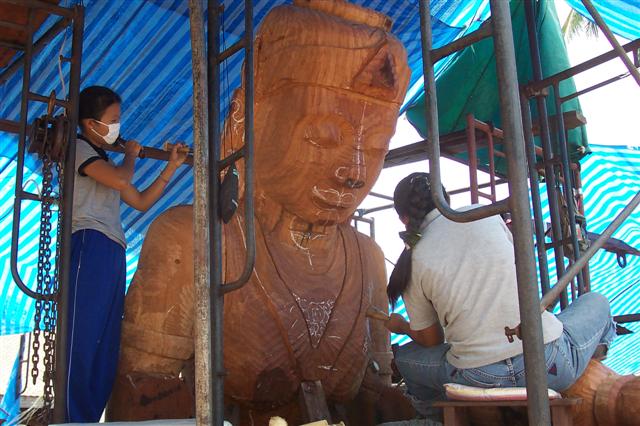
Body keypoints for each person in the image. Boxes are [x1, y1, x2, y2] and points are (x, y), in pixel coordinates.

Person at [385, 172, 616, 418]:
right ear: (445, 198)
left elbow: (432, 341)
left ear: (403, 218)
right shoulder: (484, 213)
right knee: (596, 301)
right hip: (549, 365)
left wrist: (403, 327)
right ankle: (589, 368)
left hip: (477, 378)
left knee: (406, 358)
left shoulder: (412, 260)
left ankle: (436, 419)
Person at [66, 85, 187, 422]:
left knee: (106, 340)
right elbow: (121, 181)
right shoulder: (79, 149)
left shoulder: (104, 161)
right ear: (91, 124)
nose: (118, 126)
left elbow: (141, 201)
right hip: (89, 243)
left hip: (112, 249)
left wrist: (170, 167)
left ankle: (90, 415)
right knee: (84, 335)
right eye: (113, 119)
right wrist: (131, 154)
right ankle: (72, 416)